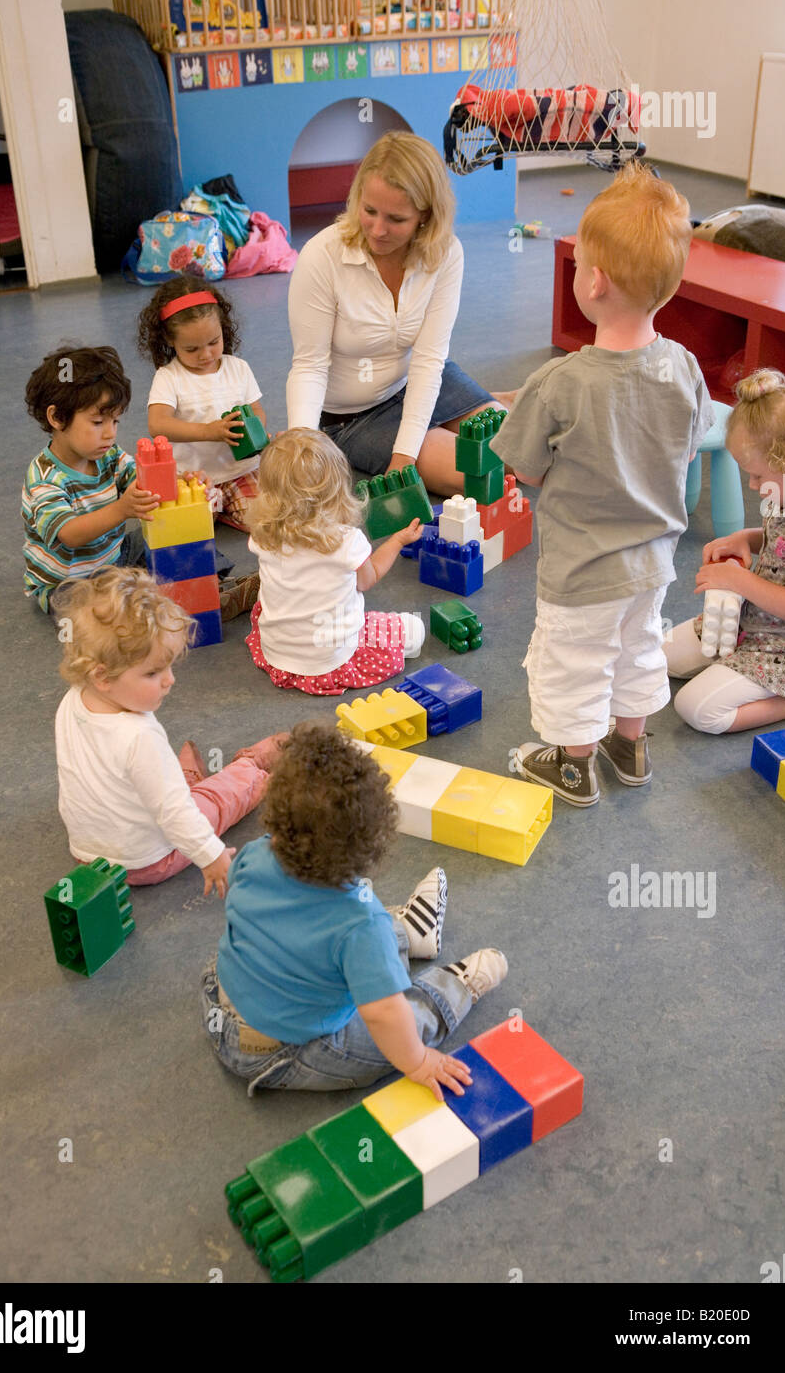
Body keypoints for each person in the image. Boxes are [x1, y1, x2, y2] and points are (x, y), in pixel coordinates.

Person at [492, 162, 715, 807]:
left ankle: (573, 764)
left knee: (575, 662)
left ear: (594, 282)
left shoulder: (558, 383)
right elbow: (693, 433)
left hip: (581, 567)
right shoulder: (683, 365)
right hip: (652, 562)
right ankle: (631, 746)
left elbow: (527, 469)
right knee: (637, 649)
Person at [200, 721, 508, 1096]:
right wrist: (418, 1061)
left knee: (347, 941)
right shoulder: (362, 923)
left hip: (220, 1003)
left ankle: (412, 934)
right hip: (282, 1052)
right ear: (369, 847)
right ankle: (451, 988)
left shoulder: (254, 854)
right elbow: (383, 1014)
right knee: (402, 1020)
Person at [286, 131, 515, 496]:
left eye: (396, 219)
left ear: (425, 216)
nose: (378, 230)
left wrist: (404, 454)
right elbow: (309, 364)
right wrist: (302, 447)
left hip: (419, 380)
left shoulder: (445, 253)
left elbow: (428, 360)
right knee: (478, 477)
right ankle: (497, 400)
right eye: (369, 211)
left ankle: (492, 403)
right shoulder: (321, 255)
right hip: (355, 417)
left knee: (516, 452)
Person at [52, 566, 285, 891]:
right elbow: (176, 814)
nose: (169, 680)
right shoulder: (139, 734)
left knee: (163, 786)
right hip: (148, 861)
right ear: (102, 677)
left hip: (88, 855)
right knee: (216, 802)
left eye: (169, 667)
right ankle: (254, 768)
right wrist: (211, 854)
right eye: (152, 674)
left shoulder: (72, 700)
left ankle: (180, 778)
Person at [665, 370, 785, 733]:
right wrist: (747, 538)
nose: (753, 486)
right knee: (660, 657)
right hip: (752, 620)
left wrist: (737, 580)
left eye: (756, 476)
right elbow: (783, 541)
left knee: (697, 710)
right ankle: (734, 666)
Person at [244, 427, 426, 694]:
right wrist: (397, 541)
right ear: (337, 488)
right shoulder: (345, 540)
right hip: (331, 662)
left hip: (278, 654)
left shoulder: (262, 535)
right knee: (413, 629)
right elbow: (367, 579)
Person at [22, 346, 156, 613]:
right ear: (57, 417)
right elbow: (70, 534)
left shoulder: (109, 455)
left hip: (115, 557)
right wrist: (122, 509)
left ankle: (213, 586)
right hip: (67, 581)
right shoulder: (44, 478)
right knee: (89, 610)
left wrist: (178, 481)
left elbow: (140, 477)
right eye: (97, 423)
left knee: (171, 542)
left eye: (115, 422)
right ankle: (129, 598)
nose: (110, 434)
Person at [137, 275, 267, 533]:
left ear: (223, 328)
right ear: (169, 340)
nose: (206, 354)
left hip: (241, 471)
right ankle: (217, 509)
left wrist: (257, 432)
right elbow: (158, 424)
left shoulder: (238, 368)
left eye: (213, 342)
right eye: (192, 349)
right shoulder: (169, 377)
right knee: (182, 532)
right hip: (192, 478)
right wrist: (210, 431)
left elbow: (257, 411)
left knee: (267, 524)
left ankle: (227, 509)